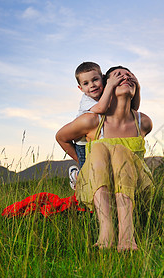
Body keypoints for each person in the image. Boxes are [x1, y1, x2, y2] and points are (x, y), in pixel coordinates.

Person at [56, 66, 153, 251]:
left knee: (120, 151)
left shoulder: (144, 122)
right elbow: (61, 137)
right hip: (100, 190)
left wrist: (136, 87)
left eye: (130, 76)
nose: (125, 78)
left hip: (135, 188)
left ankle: (127, 236)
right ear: (108, 86)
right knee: (100, 147)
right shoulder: (91, 120)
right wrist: (83, 163)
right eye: (119, 76)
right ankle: (106, 233)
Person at [71, 62, 141, 169]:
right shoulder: (87, 100)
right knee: (86, 168)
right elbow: (101, 109)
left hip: (95, 140)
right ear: (80, 88)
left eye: (95, 80)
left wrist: (137, 87)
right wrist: (110, 84)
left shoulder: (103, 93)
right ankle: (76, 175)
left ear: (102, 78)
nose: (92, 85)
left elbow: (133, 109)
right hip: (82, 143)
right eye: (86, 83)